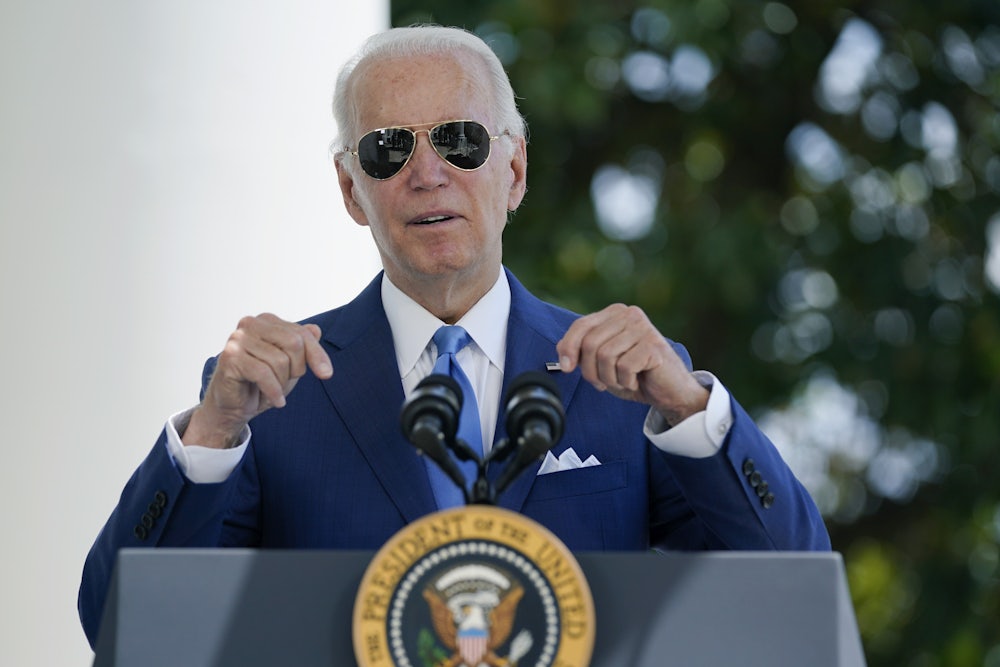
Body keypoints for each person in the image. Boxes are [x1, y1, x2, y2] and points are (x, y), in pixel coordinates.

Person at [78, 25, 830, 648]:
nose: (427, 172)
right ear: (351, 189)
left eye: (461, 140)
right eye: (387, 150)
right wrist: (211, 430)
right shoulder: (272, 396)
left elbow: (796, 591)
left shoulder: (629, 385)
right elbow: (121, 627)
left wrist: (694, 413)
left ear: (516, 169)